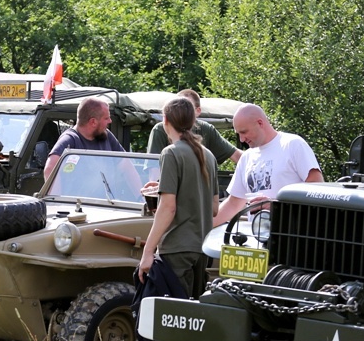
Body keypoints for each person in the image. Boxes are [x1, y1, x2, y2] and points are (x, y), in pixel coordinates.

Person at [138, 97, 219, 300]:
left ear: (165, 120)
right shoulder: (208, 155)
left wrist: (148, 252)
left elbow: (168, 208)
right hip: (202, 250)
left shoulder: (171, 153)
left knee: (171, 319)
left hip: (176, 249)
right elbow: (214, 208)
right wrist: (164, 188)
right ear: (193, 122)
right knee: (193, 319)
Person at [213, 103, 323, 227]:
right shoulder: (246, 157)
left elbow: (317, 188)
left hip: (293, 235)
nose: (242, 139)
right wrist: (202, 228)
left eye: (244, 132)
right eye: (238, 134)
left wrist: (276, 205)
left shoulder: (293, 145)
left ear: (260, 123)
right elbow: (233, 203)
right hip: (258, 237)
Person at [147, 89, 242, 164]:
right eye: (177, 107)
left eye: (188, 108)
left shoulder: (205, 130)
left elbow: (237, 156)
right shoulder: (161, 130)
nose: (182, 111)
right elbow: (154, 171)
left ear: (197, 111)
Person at [43, 97, 124, 180]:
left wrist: (138, 191)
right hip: (76, 193)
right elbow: (50, 169)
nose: (110, 121)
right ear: (93, 122)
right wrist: (56, 193)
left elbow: (126, 165)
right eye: (106, 118)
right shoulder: (70, 139)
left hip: (107, 192)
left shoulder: (106, 135)